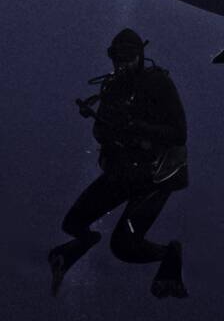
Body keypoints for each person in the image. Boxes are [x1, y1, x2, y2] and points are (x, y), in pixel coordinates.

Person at [49, 28, 189, 298]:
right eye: (117, 56)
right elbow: (101, 132)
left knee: (124, 247)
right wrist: (107, 130)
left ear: (141, 55)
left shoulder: (158, 83)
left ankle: (170, 256)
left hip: (154, 176)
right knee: (72, 224)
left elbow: (179, 133)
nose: (121, 62)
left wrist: (138, 128)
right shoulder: (111, 87)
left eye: (128, 55)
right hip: (121, 171)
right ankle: (83, 244)